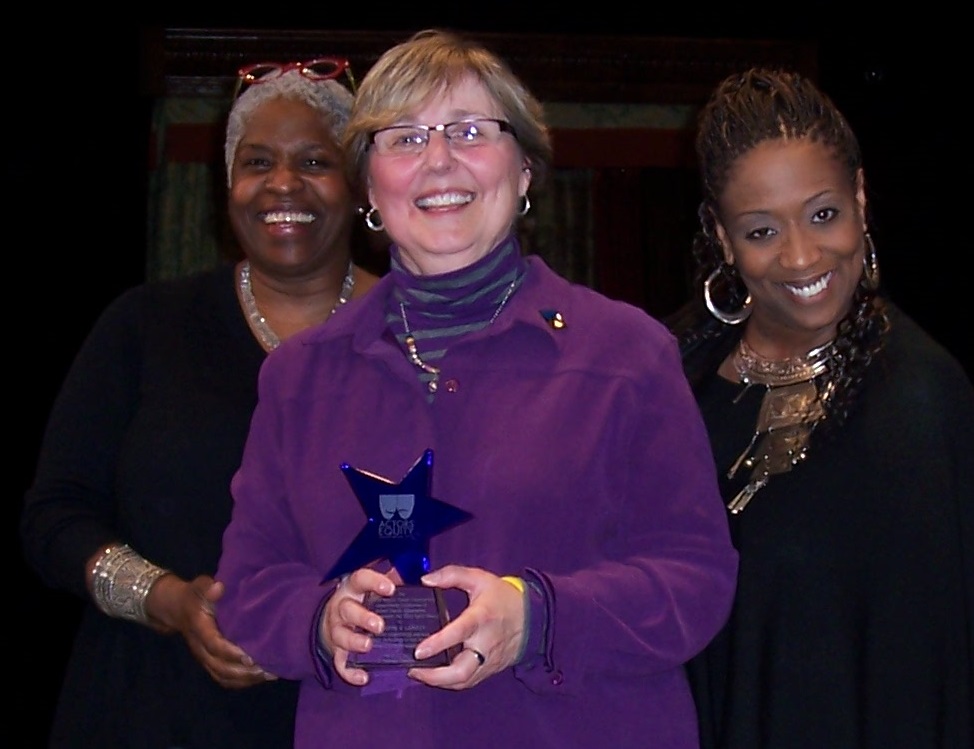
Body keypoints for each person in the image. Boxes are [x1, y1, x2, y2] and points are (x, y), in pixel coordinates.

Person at [214, 29, 737, 749]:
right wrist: (316, 621)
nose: (438, 160)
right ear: (369, 184)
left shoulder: (629, 354)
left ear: (525, 168)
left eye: (469, 131)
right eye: (403, 138)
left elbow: (698, 579)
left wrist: (541, 616)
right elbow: (249, 584)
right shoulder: (299, 376)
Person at [20, 58, 379, 748]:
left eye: (314, 160)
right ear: (227, 184)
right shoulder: (144, 325)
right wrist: (170, 601)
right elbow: (53, 517)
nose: (282, 183)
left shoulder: (416, 333)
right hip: (148, 706)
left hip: (356, 712)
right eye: (256, 162)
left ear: (358, 180)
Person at [668, 67, 974, 748]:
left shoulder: (918, 398)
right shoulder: (671, 370)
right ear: (722, 235)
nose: (801, 255)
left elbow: (929, 679)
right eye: (761, 231)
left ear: (861, 199)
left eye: (823, 213)